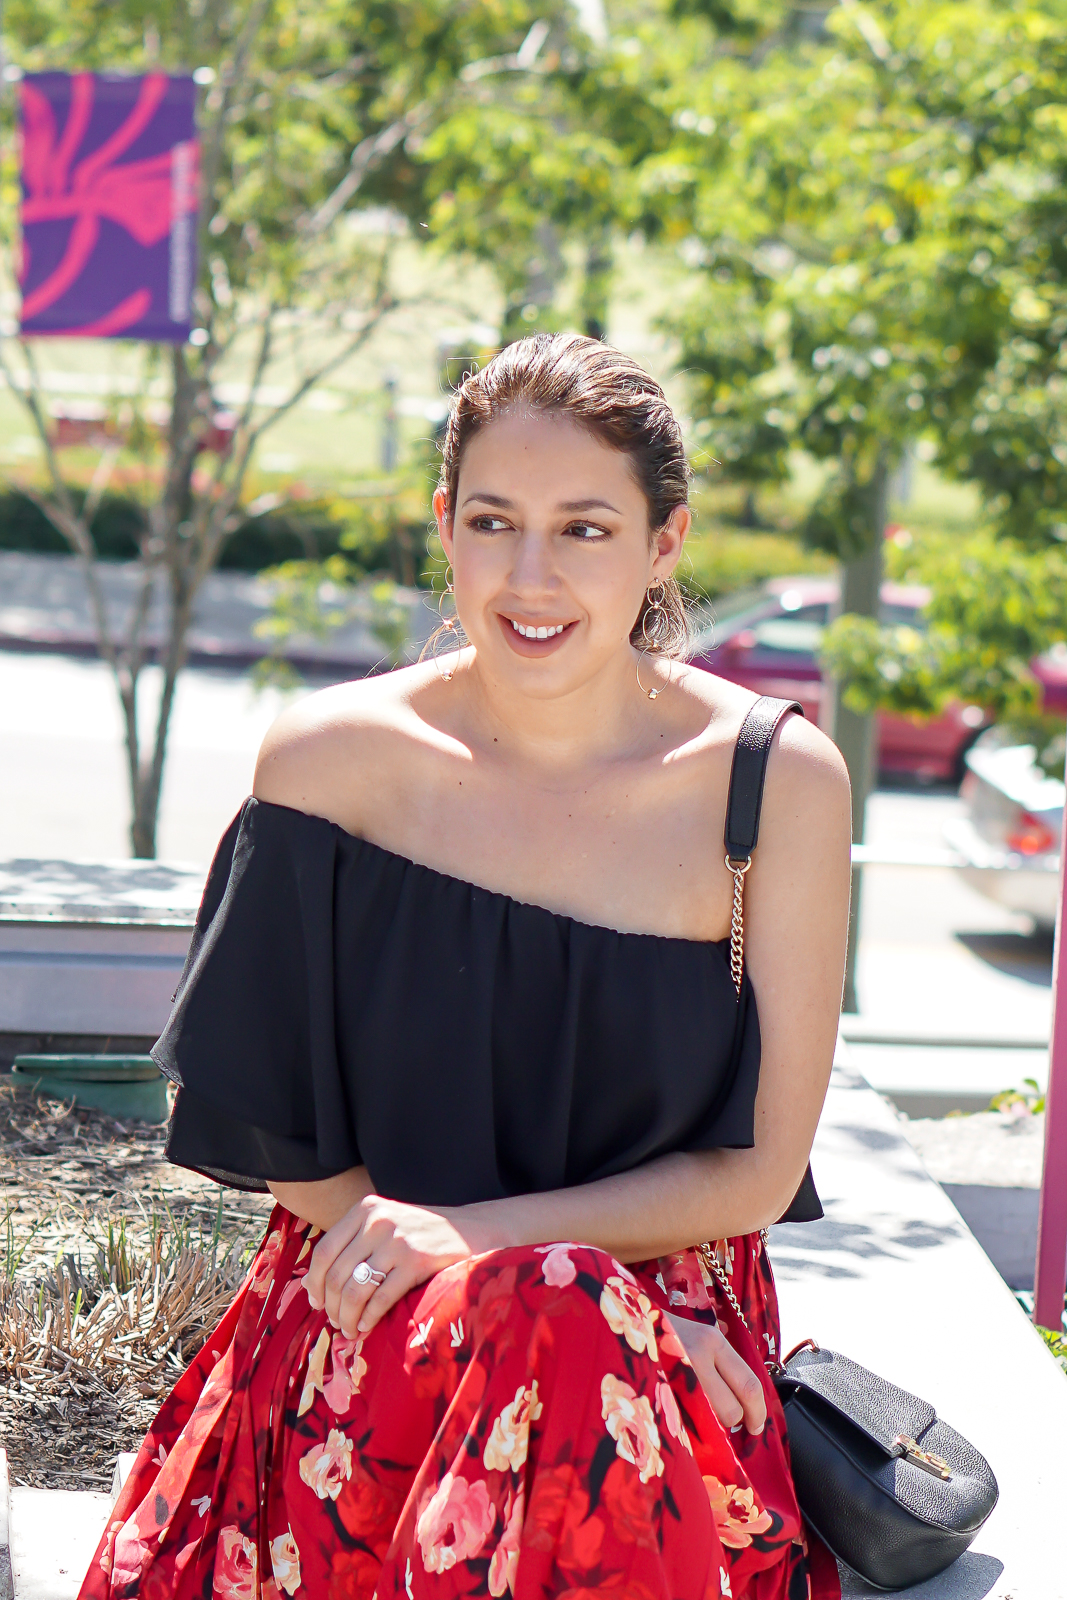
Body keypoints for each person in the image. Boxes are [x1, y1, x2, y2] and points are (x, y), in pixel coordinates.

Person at [80, 334, 851, 1600]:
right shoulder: (331, 763)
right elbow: (284, 1138)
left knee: (561, 1316)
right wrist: (468, 1262)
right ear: (444, 525)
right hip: (370, 1316)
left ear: (664, 543)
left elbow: (756, 1169)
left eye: (585, 529)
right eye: (493, 521)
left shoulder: (772, 786)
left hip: (662, 1346)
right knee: (553, 1313)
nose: (530, 575)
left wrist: (499, 1242)